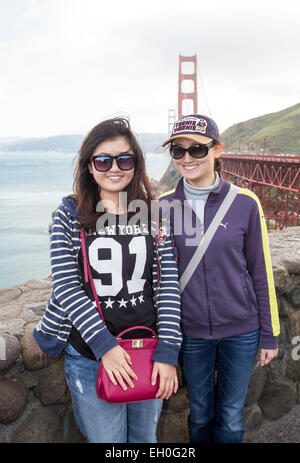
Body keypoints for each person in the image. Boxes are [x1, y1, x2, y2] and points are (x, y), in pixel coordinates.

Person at [33, 117, 182, 443]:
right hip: (90, 354)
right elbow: (67, 286)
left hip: (148, 350)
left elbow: (169, 282)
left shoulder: (154, 215)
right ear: (89, 166)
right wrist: (106, 347)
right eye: (103, 160)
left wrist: (169, 351)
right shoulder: (69, 214)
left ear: (136, 164)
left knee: (146, 440)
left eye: (124, 159)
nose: (114, 168)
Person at [159, 114, 280, 443]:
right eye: (178, 152)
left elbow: (260, 271)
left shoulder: (245, 203)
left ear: (217, 150)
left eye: (197, 150)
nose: (187, 158)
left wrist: (269, 335)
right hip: (191, 332)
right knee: (199, 413)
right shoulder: (162, 207)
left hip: (242, 330)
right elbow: (157, 280)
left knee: (230, 416)